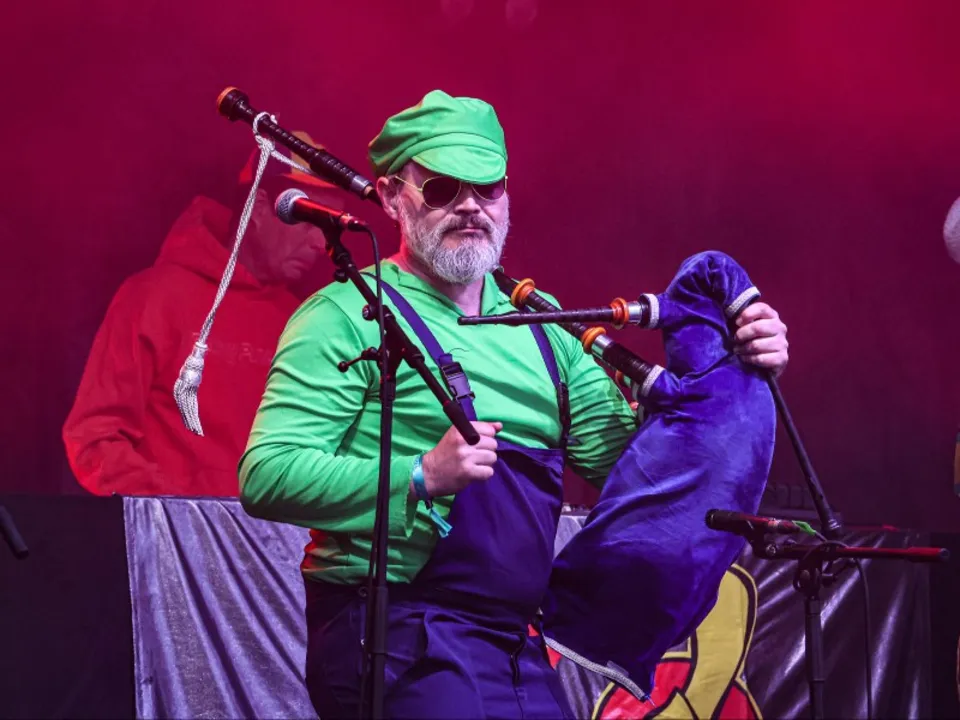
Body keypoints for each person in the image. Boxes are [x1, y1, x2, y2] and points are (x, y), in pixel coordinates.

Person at [239, 91, 789, 718]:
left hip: (513, 642)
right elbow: (267, 475)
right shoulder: (344, 314)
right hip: (393, 631)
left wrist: (733, 371)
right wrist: (420, 475)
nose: (470, 206)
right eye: (443, 188)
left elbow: (635, 466)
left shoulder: (544, 329)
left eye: (488, 187)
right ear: (392, 197)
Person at [63, 135, 341, 497]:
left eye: (328, 229)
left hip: (273, 534)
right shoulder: (155, 296)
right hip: (177, 530)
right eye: (307, 221)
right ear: (258, 209)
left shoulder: (300, 320)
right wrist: (184, 511)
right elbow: (95, 438)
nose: (321, 244)